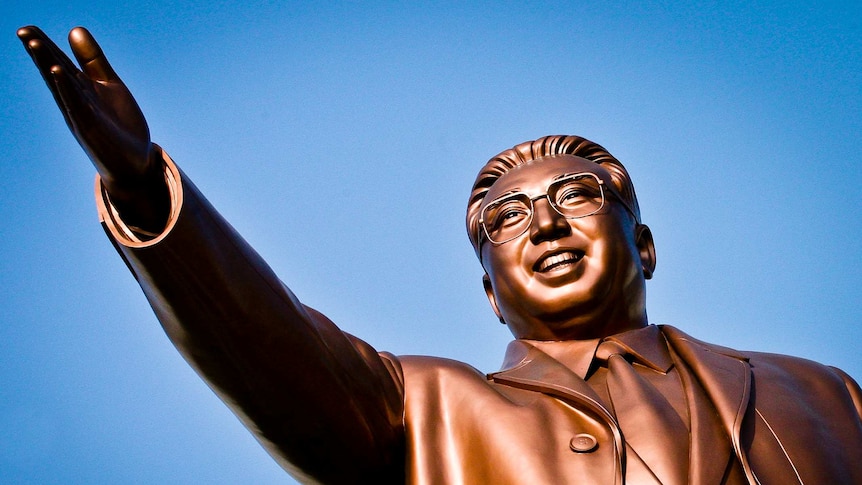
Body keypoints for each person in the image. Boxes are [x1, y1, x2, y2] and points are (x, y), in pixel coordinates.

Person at [18, 26, 862, 485]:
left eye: (576, 198)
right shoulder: (421, 410)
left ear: (642, 244)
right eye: (509, 220)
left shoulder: (825, 395)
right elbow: (264, 344)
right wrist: (142, 187)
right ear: (491, 294)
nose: (546, 225)